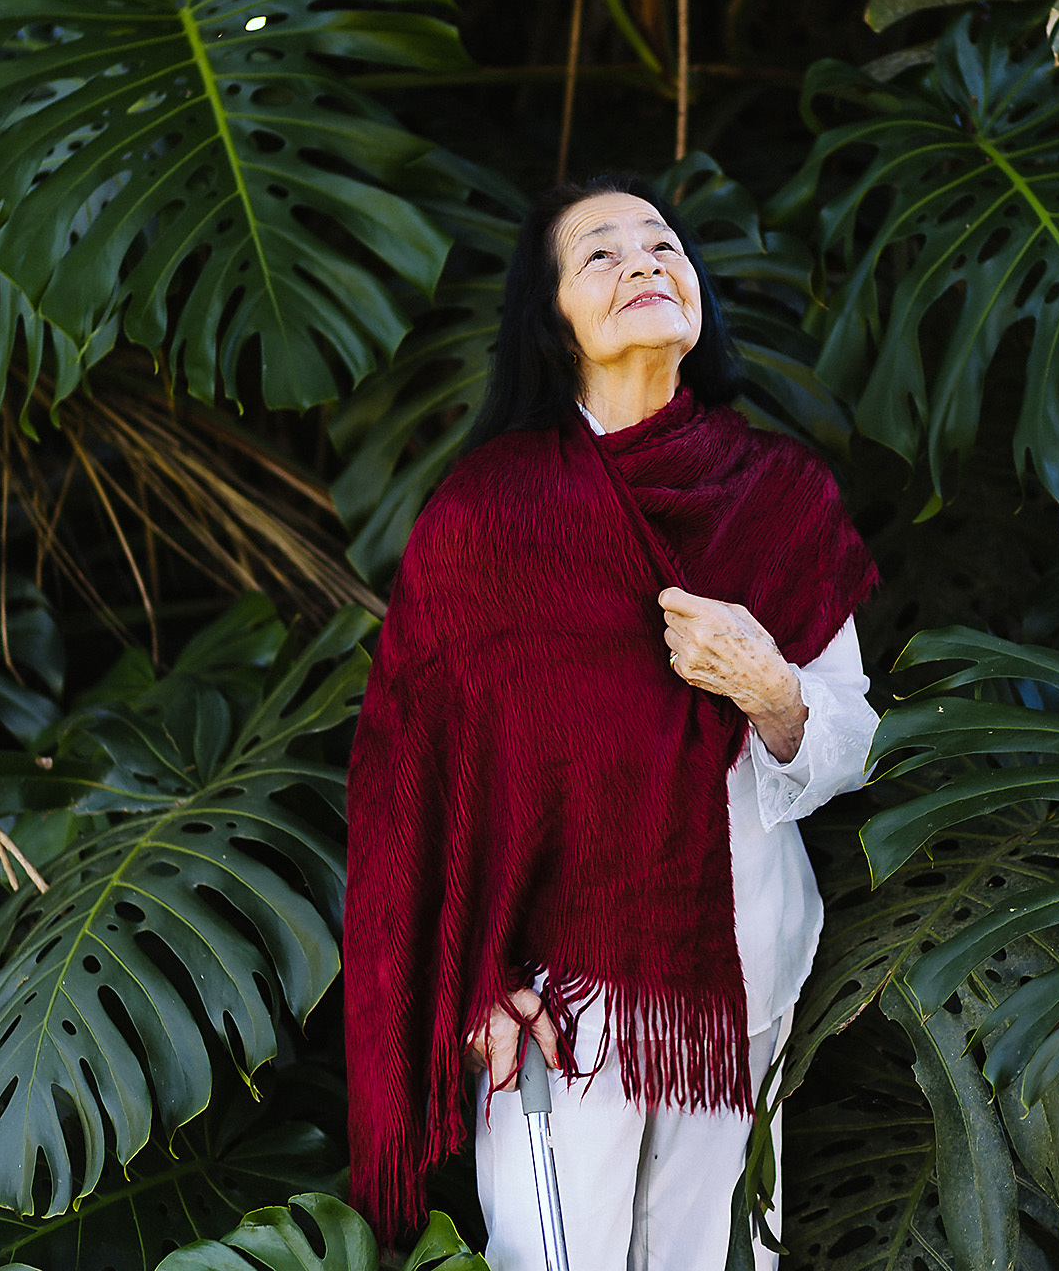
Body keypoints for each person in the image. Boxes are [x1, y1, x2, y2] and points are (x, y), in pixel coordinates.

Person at [344, 173, 878, 1271]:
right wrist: (473, 978)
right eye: (599, 252)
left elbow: (851, 743)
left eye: (662, 243)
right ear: (552, 320)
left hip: (744, 985)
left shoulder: (779, 496)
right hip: (558, 1001)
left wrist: (769, 684)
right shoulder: (486, 519)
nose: (642, 260)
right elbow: (413, 775)